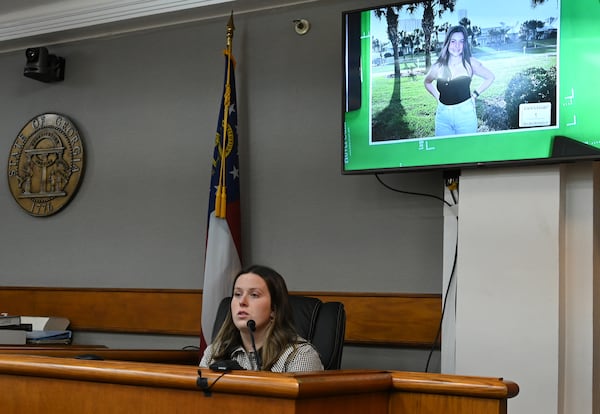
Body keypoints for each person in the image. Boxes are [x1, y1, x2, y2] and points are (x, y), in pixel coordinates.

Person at [200, 264, 324, 372]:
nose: (242, 302)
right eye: (237, 294)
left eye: (254, 295)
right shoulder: (214, 352)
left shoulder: (300, 356)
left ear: (274, 309)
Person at [424, 25, 495, 136]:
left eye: (461, 41)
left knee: (466, 151)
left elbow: (490, 77)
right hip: (443, 117)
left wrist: (475, 94)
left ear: (465, 44)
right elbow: (427, 82)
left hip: (465, 115)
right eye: (453, 41)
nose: (457, 46)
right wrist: (437, 97)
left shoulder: (470, 63)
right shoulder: (438, 66)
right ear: (447, 43)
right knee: (444, 150)